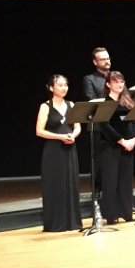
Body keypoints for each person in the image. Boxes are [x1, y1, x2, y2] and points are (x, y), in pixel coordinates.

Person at [36, 74, 81, 232]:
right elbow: (39, 131)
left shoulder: (71, 104)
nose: (64, 88)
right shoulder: (45, 106)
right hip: (53, 151)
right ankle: (55, 223)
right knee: (54, 185)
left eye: (66, 85)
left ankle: (72, 222)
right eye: (60, 85)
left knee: (71, 183)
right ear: (51, 88)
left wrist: (72, 136)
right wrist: (60, 137)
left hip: (69, 149)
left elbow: (77, 127)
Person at [99, 71, 135, 224]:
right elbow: (105, 126)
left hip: (129, 146)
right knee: (111, 180)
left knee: (125, 180)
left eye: (121, 81)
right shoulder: (105, 104)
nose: (120, 84)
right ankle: (111, 214)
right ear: (108, 84)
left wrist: (134, 139)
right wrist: (122, 141)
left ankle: (126, 212)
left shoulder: (128, 102)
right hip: (111, 146)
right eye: (115, 81)